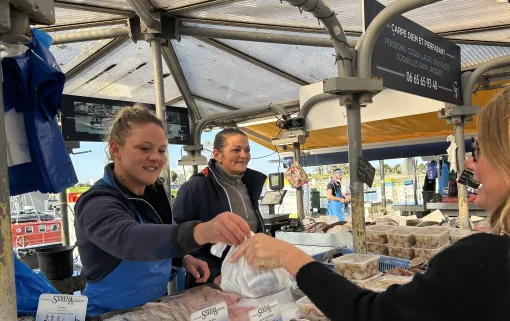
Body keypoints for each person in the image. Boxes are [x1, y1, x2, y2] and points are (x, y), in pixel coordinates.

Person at [230, 88, 510, 321]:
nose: (470, 163)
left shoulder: (484, 260)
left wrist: (290, 258)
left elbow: (370, 315)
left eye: (479, 150)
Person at [74, 105, 252, 316]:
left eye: (161, 150)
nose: (155, 158)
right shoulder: (96, 202)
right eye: (144, 148)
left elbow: (157, 238)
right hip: (109, 314)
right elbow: (128, 239)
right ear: (116, 149)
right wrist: (202, 231)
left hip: (153, 309)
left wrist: (182, 258)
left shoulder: (155, 192)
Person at [173, 128, 267, 288]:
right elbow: (180, 236)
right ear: (217, 155)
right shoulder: (196, 186)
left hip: (248, 277)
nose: (244, 155)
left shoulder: (250, 184)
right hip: (212, 280)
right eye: (236, 150)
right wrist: (213, 271)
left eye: (247, 150)